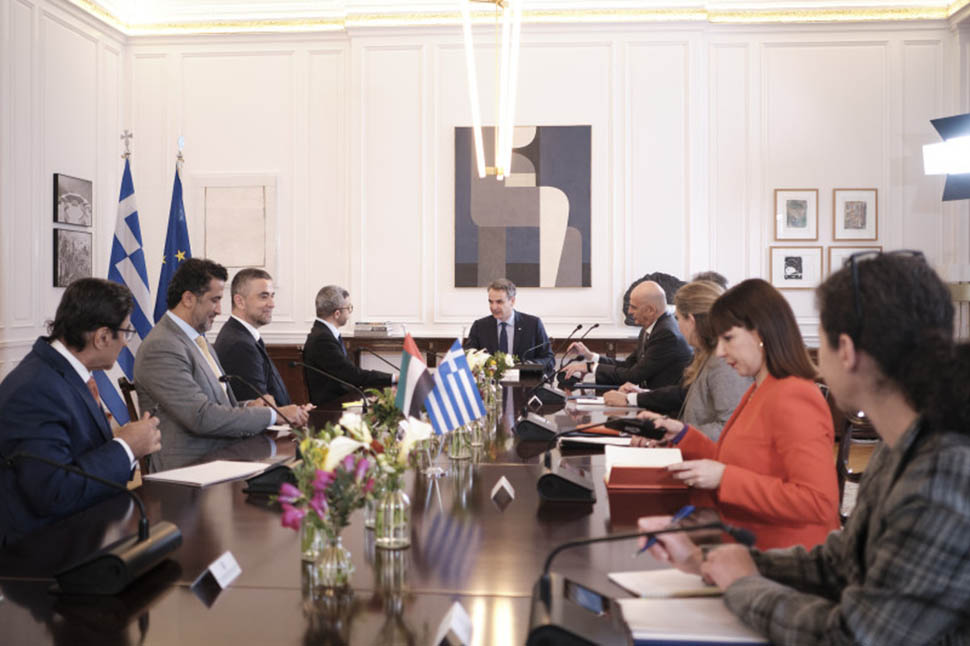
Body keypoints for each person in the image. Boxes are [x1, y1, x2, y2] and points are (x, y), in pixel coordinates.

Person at [639, 252, 970, 644]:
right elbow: (841, 561)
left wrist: (743, 583)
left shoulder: (941, 474)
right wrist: (711, 561)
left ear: (845, 350)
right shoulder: (899, 448)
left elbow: (852, 636)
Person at [639, 278, 840, 550]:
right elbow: (738, 460)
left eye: (728, 339)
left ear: (761, 334)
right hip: (744, 542)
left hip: (785, 557)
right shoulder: (759, 388)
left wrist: (725, 478)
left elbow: (817, 502)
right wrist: (684, 435)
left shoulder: (794, 395)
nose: (721, 352)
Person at [0, 278, 161, 545]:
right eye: (126, 332)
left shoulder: (65, 373)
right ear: (102, 337)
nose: (125, 343)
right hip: (41, 552)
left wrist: (126, 444)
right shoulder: (36, 389)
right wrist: (126, 447)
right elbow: (54, 492)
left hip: (82, 533)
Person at [135, 258, 309, 471]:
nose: (219, 310)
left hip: (223, 457)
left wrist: (248, 406)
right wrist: (275, 414)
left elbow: (218, 404)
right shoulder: (162, 346)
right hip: (189, 469)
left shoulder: (198, 340)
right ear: (188, 299)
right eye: (215, 300)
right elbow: (201, 416)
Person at [604, 280, 750, 441]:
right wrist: (662, 423)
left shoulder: (723, 362)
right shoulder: (704, 353)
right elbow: (684, 394)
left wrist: (676, 434)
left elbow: (730, 428)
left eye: (678, 318)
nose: (677, 325)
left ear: (691, 321)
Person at [564, 280, 692, 388]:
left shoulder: (666, 334)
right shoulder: (650, 328)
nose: (629, 311)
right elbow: (628, 365)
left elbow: (634, 376)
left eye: (634, 307)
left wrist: (591, 367)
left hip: (663, 406)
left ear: (650, 310)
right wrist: (590, 356)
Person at [304, 285, 395, 405]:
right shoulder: (322, 339)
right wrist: (393, 378)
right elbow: (352, 375)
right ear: (337, 313)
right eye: (349, 308)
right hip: (331, 406)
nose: (350, 312)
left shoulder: (324, 333)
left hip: (341, 399)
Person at [213, 268, 292, 406]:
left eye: (272, 296)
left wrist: (296, 412)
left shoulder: (244, 336)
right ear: (240, 301)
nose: (272, 304)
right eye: (263, 296)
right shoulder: (239, 345)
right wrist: (290, 414)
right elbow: (259, 407)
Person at [463, 278, 555, 374]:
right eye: (491, 302)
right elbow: (469, 357)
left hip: (525, 381)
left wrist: (529, 365)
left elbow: (549, 359)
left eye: (499, 302)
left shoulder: (532, 324)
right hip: (491, 382)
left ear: (512, 301)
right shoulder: (480, 327)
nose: (494, 307)